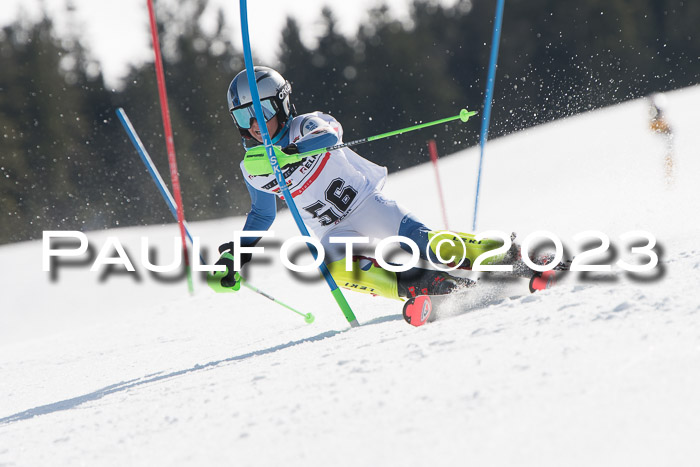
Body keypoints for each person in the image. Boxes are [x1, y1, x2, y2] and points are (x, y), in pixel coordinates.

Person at [209, 66, 511, 304]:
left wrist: (291, 153)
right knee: (329, 266)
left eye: (261, 112)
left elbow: (328, 136)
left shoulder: (305, 125)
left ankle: (501, 254)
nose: (254, 126)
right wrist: (237, 254)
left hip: (366, 205)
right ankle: (423, 285)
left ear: (281, 104)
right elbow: (262, 215)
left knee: (422, 242)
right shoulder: (254, 168)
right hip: (333, 231)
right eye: (243, 116)